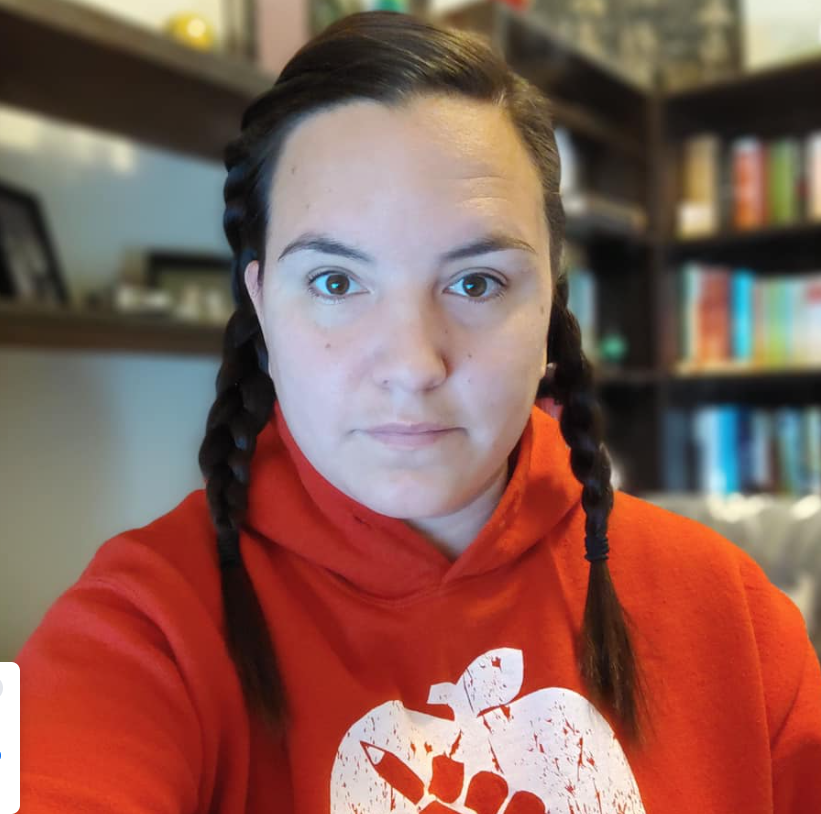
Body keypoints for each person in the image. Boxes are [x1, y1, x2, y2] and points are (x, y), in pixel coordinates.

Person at [17, 10, 821, 814]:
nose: (412, 365)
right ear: (261, 304)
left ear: (549, 301)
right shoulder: (149, 625)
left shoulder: (728, 614)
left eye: (475, 283)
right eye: (336, 282)